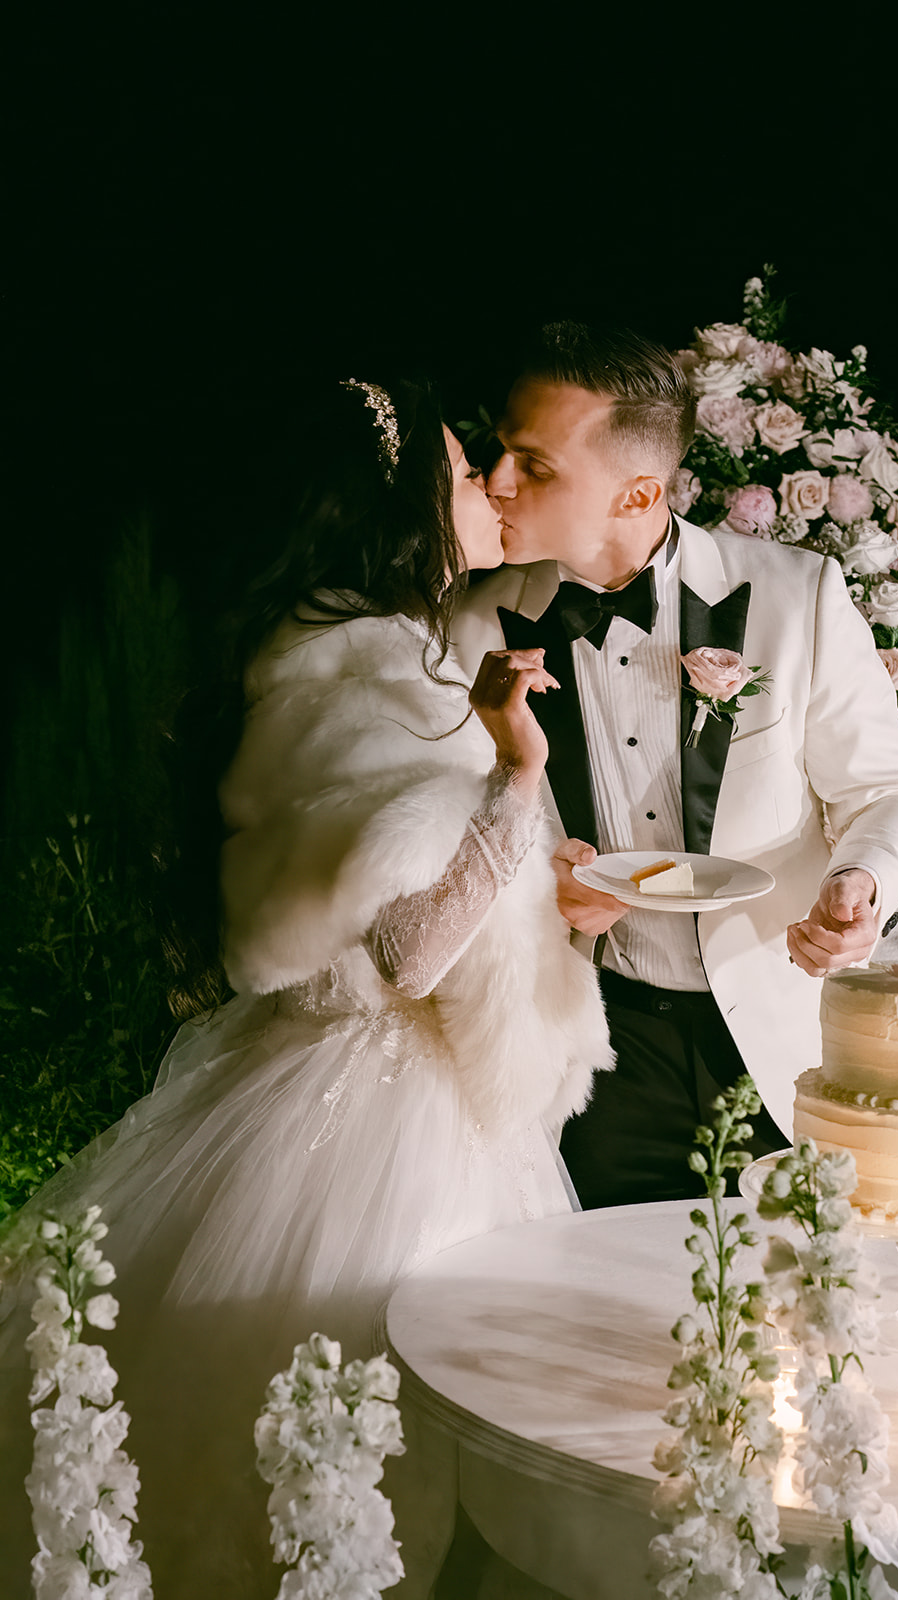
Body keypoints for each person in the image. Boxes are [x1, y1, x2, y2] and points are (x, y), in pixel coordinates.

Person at [0, 378, 612, 1597]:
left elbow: (421, 892)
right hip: (386, 1119)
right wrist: (515, 778)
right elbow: (409, 953)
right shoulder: (359, 674)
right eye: (464, 471)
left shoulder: (378, 652)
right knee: (351, 1459)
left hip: (401, 1088)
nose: (491, 487)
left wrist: (539, 871)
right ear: (399, 507)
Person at [454, 323, 898, 1209]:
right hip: (593, 1050)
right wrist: (540, 892)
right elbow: (443, 838)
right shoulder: (471, 625)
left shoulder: (798, 597)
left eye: (535, 464)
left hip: (779, 1043)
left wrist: (863, 881)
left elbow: (890, 792)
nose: (496, 482)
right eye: (498, 452)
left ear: (639, 492)